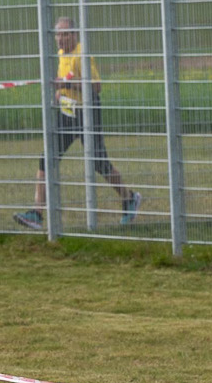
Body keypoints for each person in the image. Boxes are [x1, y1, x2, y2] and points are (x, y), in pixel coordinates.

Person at [13, 15, 140, 230]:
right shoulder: (61, 54)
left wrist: (67, 85)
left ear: (74, 35)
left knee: (99, 163)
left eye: (65, 34)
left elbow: (96, 86)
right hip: (67, 114)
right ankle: (36, 214)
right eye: (58, 35)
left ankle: (129, 198)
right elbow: (64, 79)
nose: (60, 39)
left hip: (87, 113)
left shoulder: (82, 55)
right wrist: (59, 93)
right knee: (46, 159)